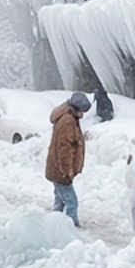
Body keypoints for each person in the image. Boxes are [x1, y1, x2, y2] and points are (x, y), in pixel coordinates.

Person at [46, 92, 90, 227]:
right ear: (77, 108)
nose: (83, 114)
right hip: (61, 170)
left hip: (56, 167)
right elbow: (64, 148)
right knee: (71, 202)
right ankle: (72, 227)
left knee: (60, 200)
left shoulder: (68, 117)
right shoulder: (68, 121)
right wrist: (67, 170)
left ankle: (54, 224)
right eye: (82, 111)